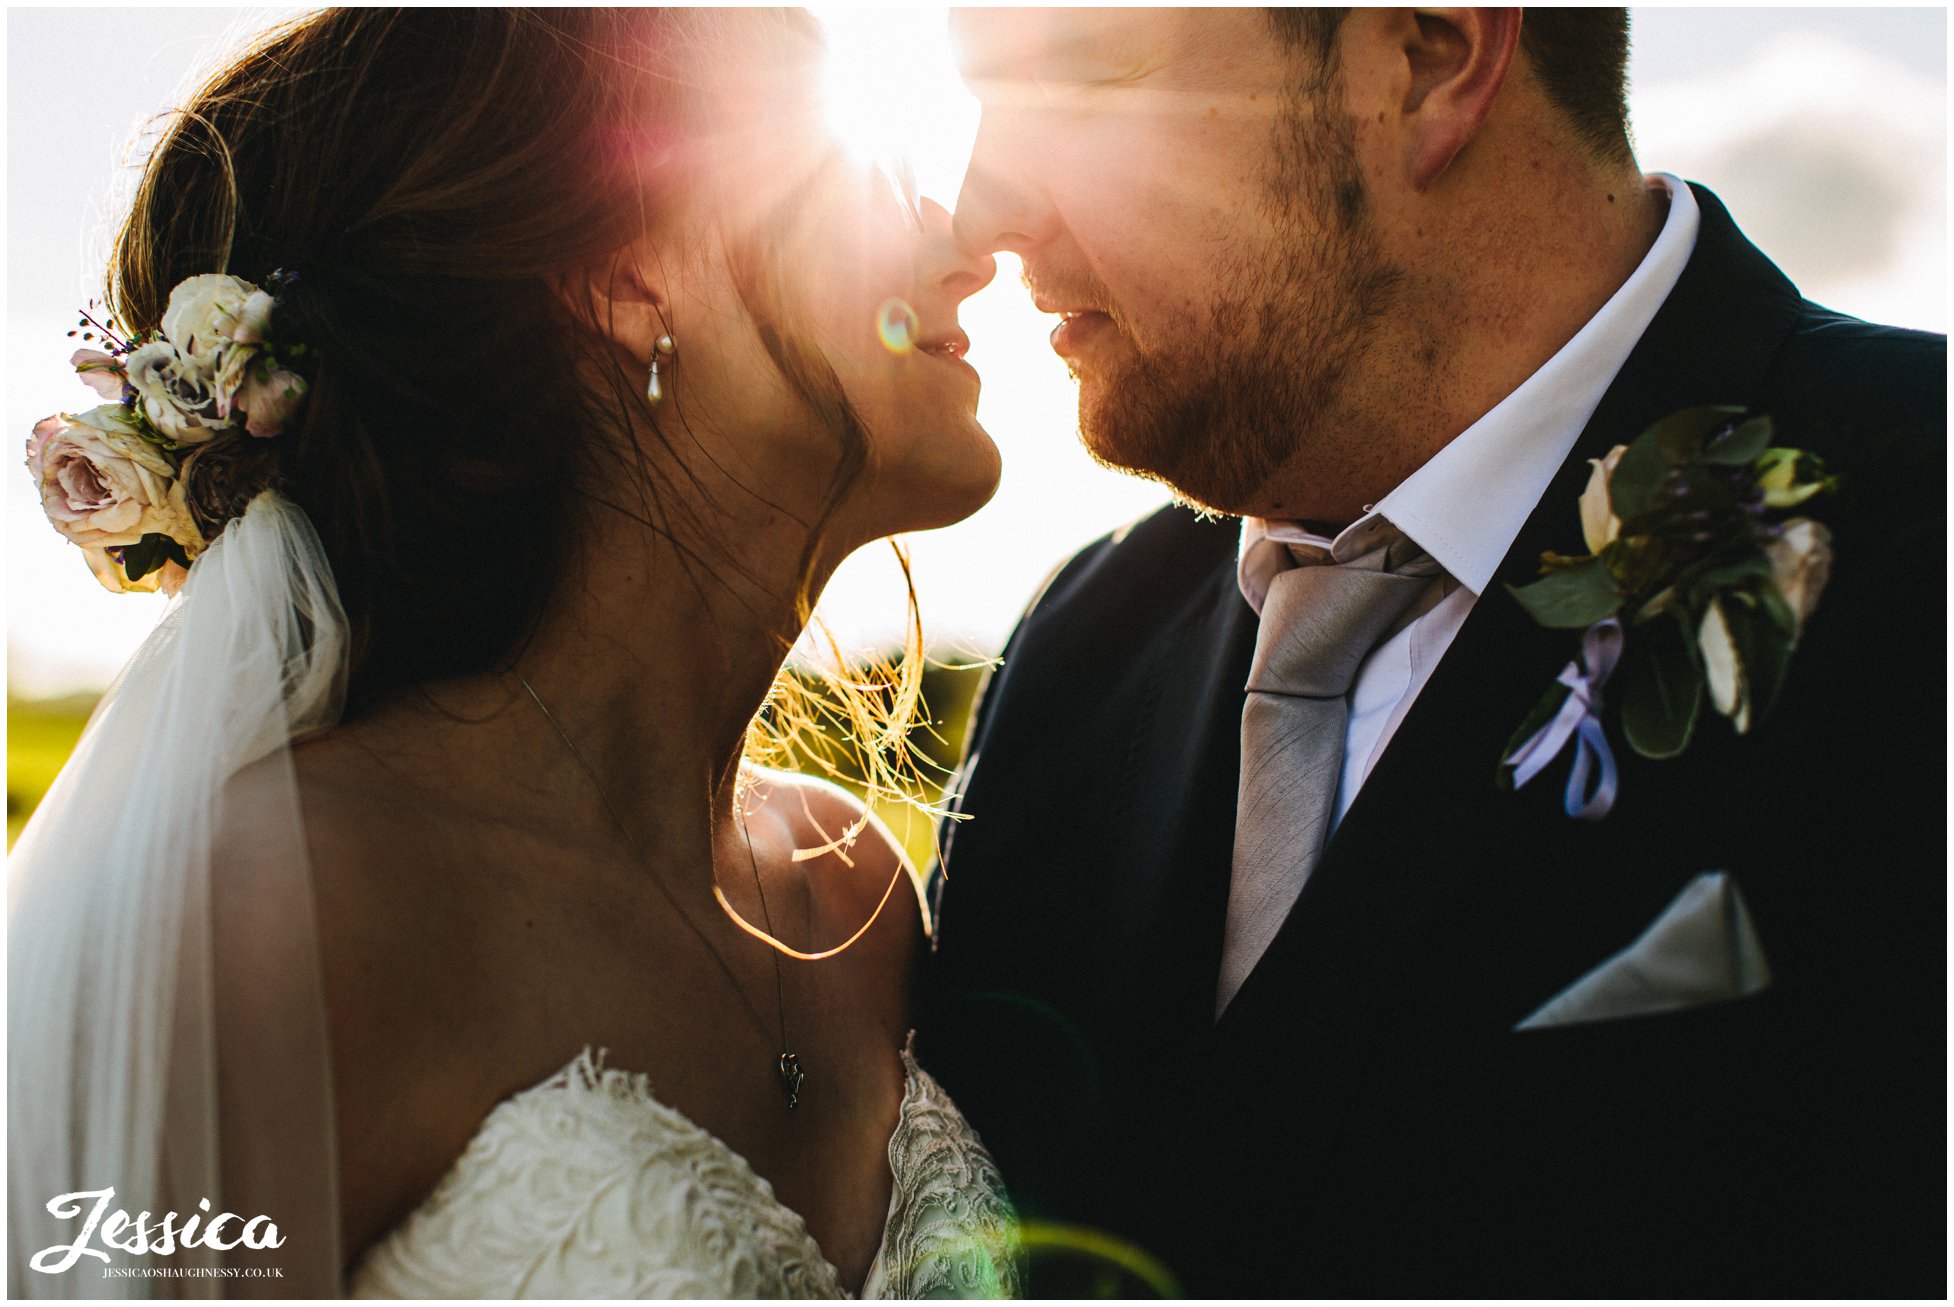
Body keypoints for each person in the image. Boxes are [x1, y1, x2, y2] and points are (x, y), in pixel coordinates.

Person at [921, 7, 1944, 1297]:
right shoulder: (1080, 643)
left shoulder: (1931, 525)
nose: (981, 208)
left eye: (1083, 70)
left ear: (1431, 55)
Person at [10, 9, 1021, 1298]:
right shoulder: (284, 909)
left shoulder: (861, 899)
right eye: (869, 172)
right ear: (627, 276)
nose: (963, 245)